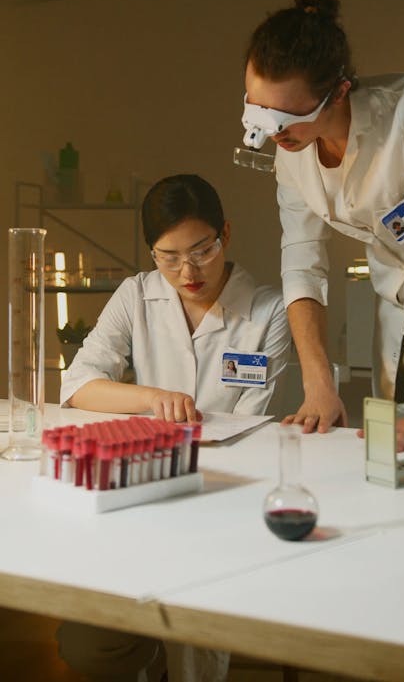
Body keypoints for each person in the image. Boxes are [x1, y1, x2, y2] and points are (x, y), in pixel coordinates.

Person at [58, 173, 290, 682]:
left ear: (225, 235)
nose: (187, 271)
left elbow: (249, 425)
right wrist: (153, 398)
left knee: (197, 626)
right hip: (143, 485)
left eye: (202, 251)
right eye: (168, 257)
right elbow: (78, 385)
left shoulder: (268, 309)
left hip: (224, 496)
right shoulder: (135, 295)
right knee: (92, 641)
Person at [241, 0, 404, 438]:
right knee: (395, 456)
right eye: (258, 112)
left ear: (338, 92)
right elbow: (303, 262)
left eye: (285, 118)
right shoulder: (292, 149)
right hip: (397, 307)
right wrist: (318, 385)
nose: (271, 131)